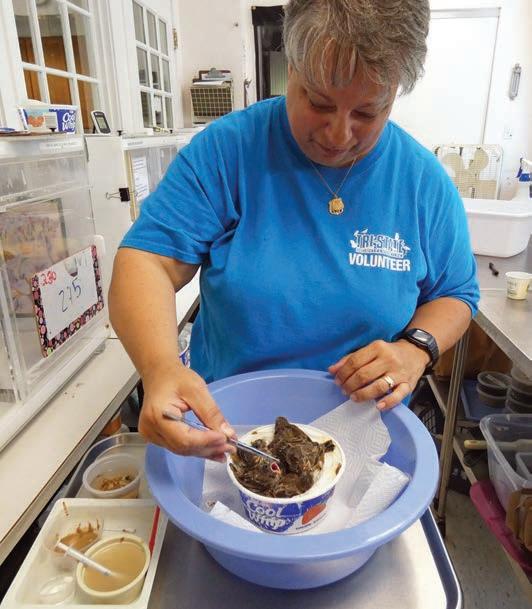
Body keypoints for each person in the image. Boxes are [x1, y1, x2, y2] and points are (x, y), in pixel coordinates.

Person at [109, 0, 479, 462]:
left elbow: (456, 293)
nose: (339, 135)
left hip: (363, 442)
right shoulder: (229, 151)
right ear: (293, 65)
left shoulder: (423, 183)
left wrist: (415, 348)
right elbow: (148, 261)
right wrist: (160, 367)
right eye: (319, 103)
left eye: (367, 113)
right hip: (227, 437)